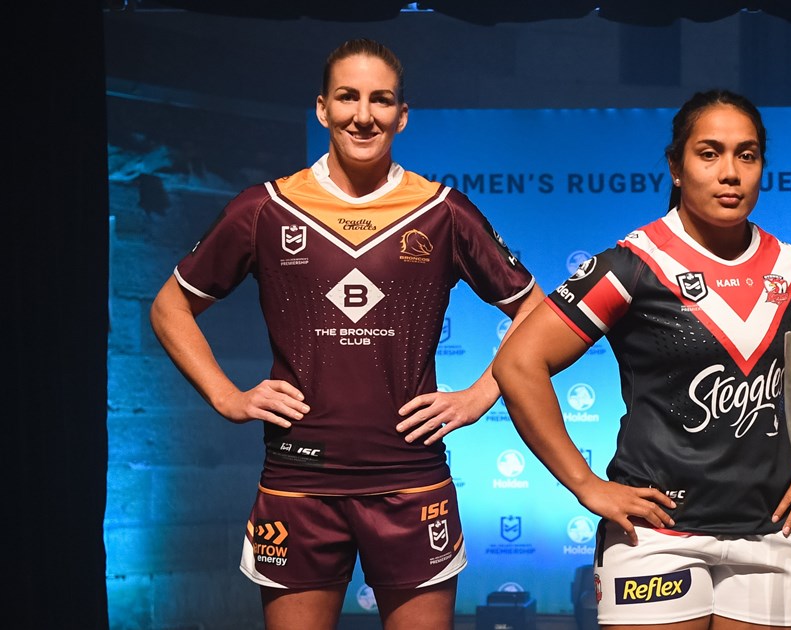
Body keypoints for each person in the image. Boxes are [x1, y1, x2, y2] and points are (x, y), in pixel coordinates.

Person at [148, 38, 541, 629]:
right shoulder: (267, 208)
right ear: (322, 108)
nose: (364, 115)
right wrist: (228, 397)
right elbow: (169, 307)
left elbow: (535, 310)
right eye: (347, 97)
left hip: (411, 480)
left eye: (381, 100)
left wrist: (481, 394)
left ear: (402, 116)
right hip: (298, 481)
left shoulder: (442, 210)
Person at [493, 89, 791, 630]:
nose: (730, 172)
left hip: (772, 536)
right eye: (709, 153)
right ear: (676, 167)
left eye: (746, 154)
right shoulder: (633, 265)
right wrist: (586, 484)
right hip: (653, 538)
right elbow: (519, 363)